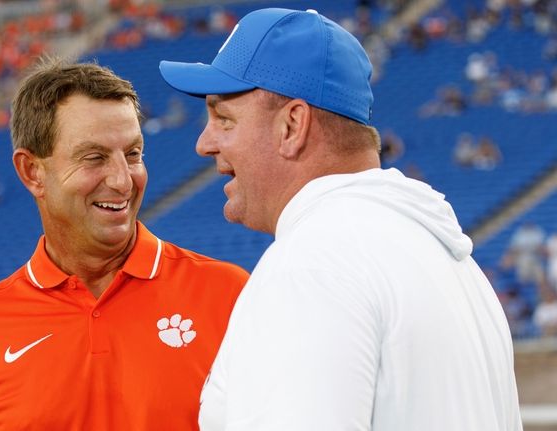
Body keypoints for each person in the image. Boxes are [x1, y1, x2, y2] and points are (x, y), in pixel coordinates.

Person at [159, 7, 522, 430]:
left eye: (224, 119)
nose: (204, 143)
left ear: (292, 126)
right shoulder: (451, 259)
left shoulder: (313, 265)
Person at [0, 59, 248, 430]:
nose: (122, 180)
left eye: (133, 154)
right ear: (32, 172)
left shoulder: (229, 295)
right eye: (94, 158)